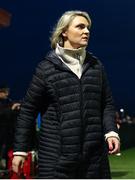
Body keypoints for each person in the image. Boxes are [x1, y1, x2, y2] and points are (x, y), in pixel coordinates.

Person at [12, 10, 120, 178]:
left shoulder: (96, 65)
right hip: (56, 160)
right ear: (64, 31)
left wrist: (111, 132)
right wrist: (20, 150)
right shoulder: (46, 68)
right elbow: (28, 111)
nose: (87, 31)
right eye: (80, 27)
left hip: (94, 160)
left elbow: (106, 103)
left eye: (88, 27)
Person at [0, 84, 20, 169]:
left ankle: (7, 165)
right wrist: (12, 108)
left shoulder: (8, 101)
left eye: (8, 92)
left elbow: (10, 113)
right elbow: (1, 113)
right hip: (1, 131)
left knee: (7, 147)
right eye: (5, 92)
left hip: (8, 131)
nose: (7, 94)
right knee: (2, 147)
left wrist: (17, 108)